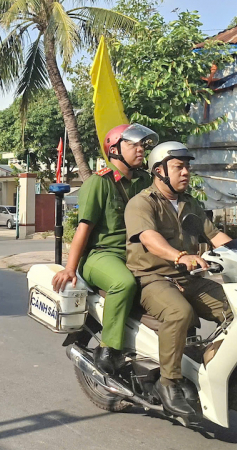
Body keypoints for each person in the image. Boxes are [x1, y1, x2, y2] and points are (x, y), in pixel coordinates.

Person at [125, 141, 233, 417]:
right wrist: (179, 255)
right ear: (159, 171)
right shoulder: (141, 203)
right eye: (179, 167)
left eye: (187, 167)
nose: (186, 172)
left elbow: (215, 236)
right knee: (179, 313)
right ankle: (169, 383)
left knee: (236, 310)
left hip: (189, 277)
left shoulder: (190, 203)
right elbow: (149, 238)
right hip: (152, 278)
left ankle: (213, 366)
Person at [51, 124, 158, 375]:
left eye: (143, 145)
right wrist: (70, 268)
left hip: (137, 254)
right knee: (124, 283)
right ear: (114, 149)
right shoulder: (99, 183)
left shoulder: (145, 181)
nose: (140, 149)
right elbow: (83, 229)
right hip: (102, 255)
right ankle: (109, 350)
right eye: (133, 144)